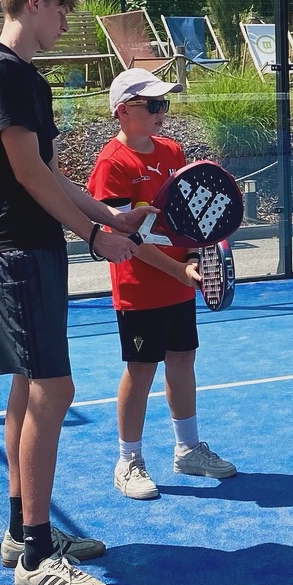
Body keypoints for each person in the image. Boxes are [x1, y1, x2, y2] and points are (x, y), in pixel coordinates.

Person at [0, 0, 142, 585]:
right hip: (16, 251)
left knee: (28, 385)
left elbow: (52, 176)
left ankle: (20, 530)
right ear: (35, 4)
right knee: (54, 387)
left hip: (23, 248)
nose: (66, 23)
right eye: (62, 11)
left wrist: (105, 214)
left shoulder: (9, 75)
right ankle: (37, 556)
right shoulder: (6, 73)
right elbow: (28, 174)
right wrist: (95, 239)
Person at [86, 67, 238, 496]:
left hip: (179, 283)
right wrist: (179, 271)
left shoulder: (172, 151)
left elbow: (190, 217)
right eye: (151, 104)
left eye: (163, 104)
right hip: (139, 289)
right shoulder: (111, 165)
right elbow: (123, 236)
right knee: (140, 369)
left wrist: (191, 258)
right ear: (122, 111)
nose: (161, 111)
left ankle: (188, 449)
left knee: (182, 360)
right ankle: (128, 460)